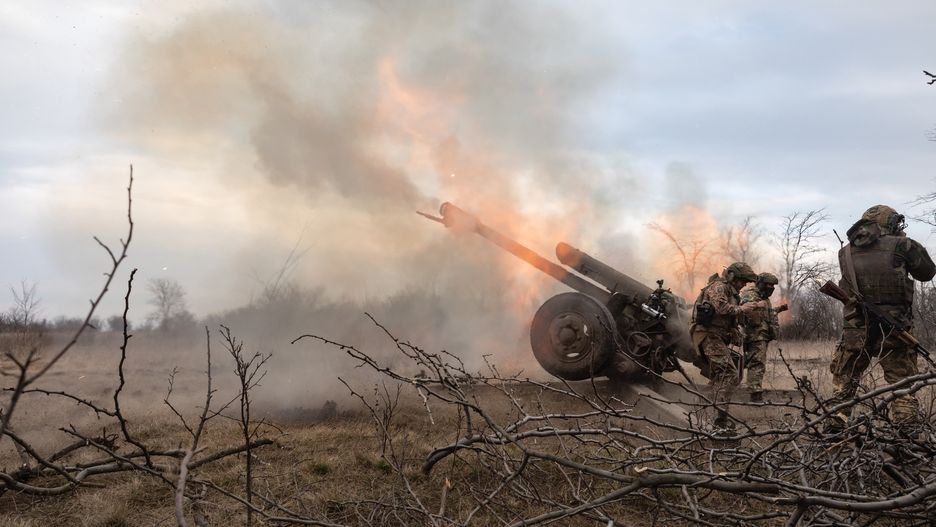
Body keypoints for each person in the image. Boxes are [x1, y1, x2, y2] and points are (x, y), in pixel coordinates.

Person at [827, 205, 935, 434]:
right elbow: (927, 273)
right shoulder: (903, 245)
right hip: (894, 329)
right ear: (892, 223)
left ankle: (834, 429)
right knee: (903, 384)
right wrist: (902, 240)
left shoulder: (845, 252)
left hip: (856, 328)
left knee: (845, 382)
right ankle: (907, 435)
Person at [690, 262, 765, 431]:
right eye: (741, 280)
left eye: (746, 282)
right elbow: (722, 308)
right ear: (731, 276)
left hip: (716, 337)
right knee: (729, 374)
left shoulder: (731, 292)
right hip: (708, 335)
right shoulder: (719, 287)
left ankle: (701, 402)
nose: (743, 284)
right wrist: (743, 308)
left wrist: (734, 331)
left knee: (725, 374)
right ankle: (720, 420)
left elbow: (727, 319)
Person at [739, 273, 785, 402]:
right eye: (768, 285)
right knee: (757, 363)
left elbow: (766, 314)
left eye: (773, 286)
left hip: (760, 335)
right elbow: (749, 314)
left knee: (752, 362)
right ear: (760, 283)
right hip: (755, 335)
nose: (771, 288)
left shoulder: (763, 297)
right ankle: (755, 394)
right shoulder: (751, 295)